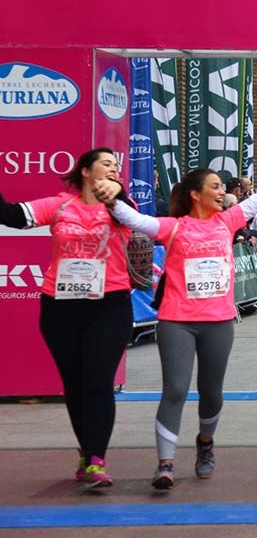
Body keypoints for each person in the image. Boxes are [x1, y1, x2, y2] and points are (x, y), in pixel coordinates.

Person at [101, 132, 257, 490]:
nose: (222, 191)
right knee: (175, 390)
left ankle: (205, 443)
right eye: (215, 186)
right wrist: (113, 200)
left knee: (212, 393)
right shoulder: (173, 227)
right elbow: (136, 221)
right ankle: (165, 463)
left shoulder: (227, 222)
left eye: (223, 186)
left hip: (218, 322)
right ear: (195, 194)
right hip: (177, 320)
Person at [0, 148, 143, 488]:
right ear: (85, 171)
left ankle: (96, 460)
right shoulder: (60, 205)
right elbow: (11, 216)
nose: (112, 169)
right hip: (60, 307)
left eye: (116, 166)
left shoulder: (122, 207)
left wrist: (116, 198)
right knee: (75, 386)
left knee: (98, 380)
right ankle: (87, 450)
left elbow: (131, 219)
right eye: (105, 164)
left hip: (109, 305)